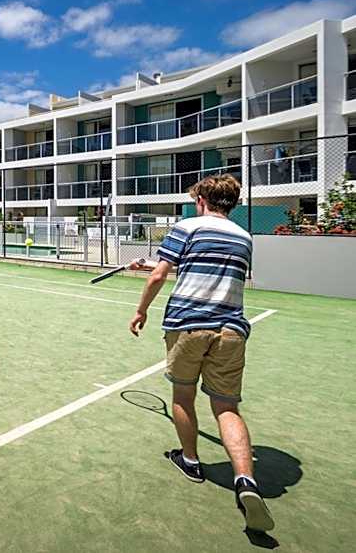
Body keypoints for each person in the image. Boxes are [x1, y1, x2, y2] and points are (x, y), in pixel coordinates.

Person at [127, 174, 273, 533]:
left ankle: (190, 460)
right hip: (231, 331)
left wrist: (141, 309)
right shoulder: (244, 237)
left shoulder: (187, 226)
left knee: (183, 394)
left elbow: (161, 276)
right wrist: (150, 263)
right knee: (226, 407)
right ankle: (246, 482)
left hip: (187, 326)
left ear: (203, 200)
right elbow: (203, 265)